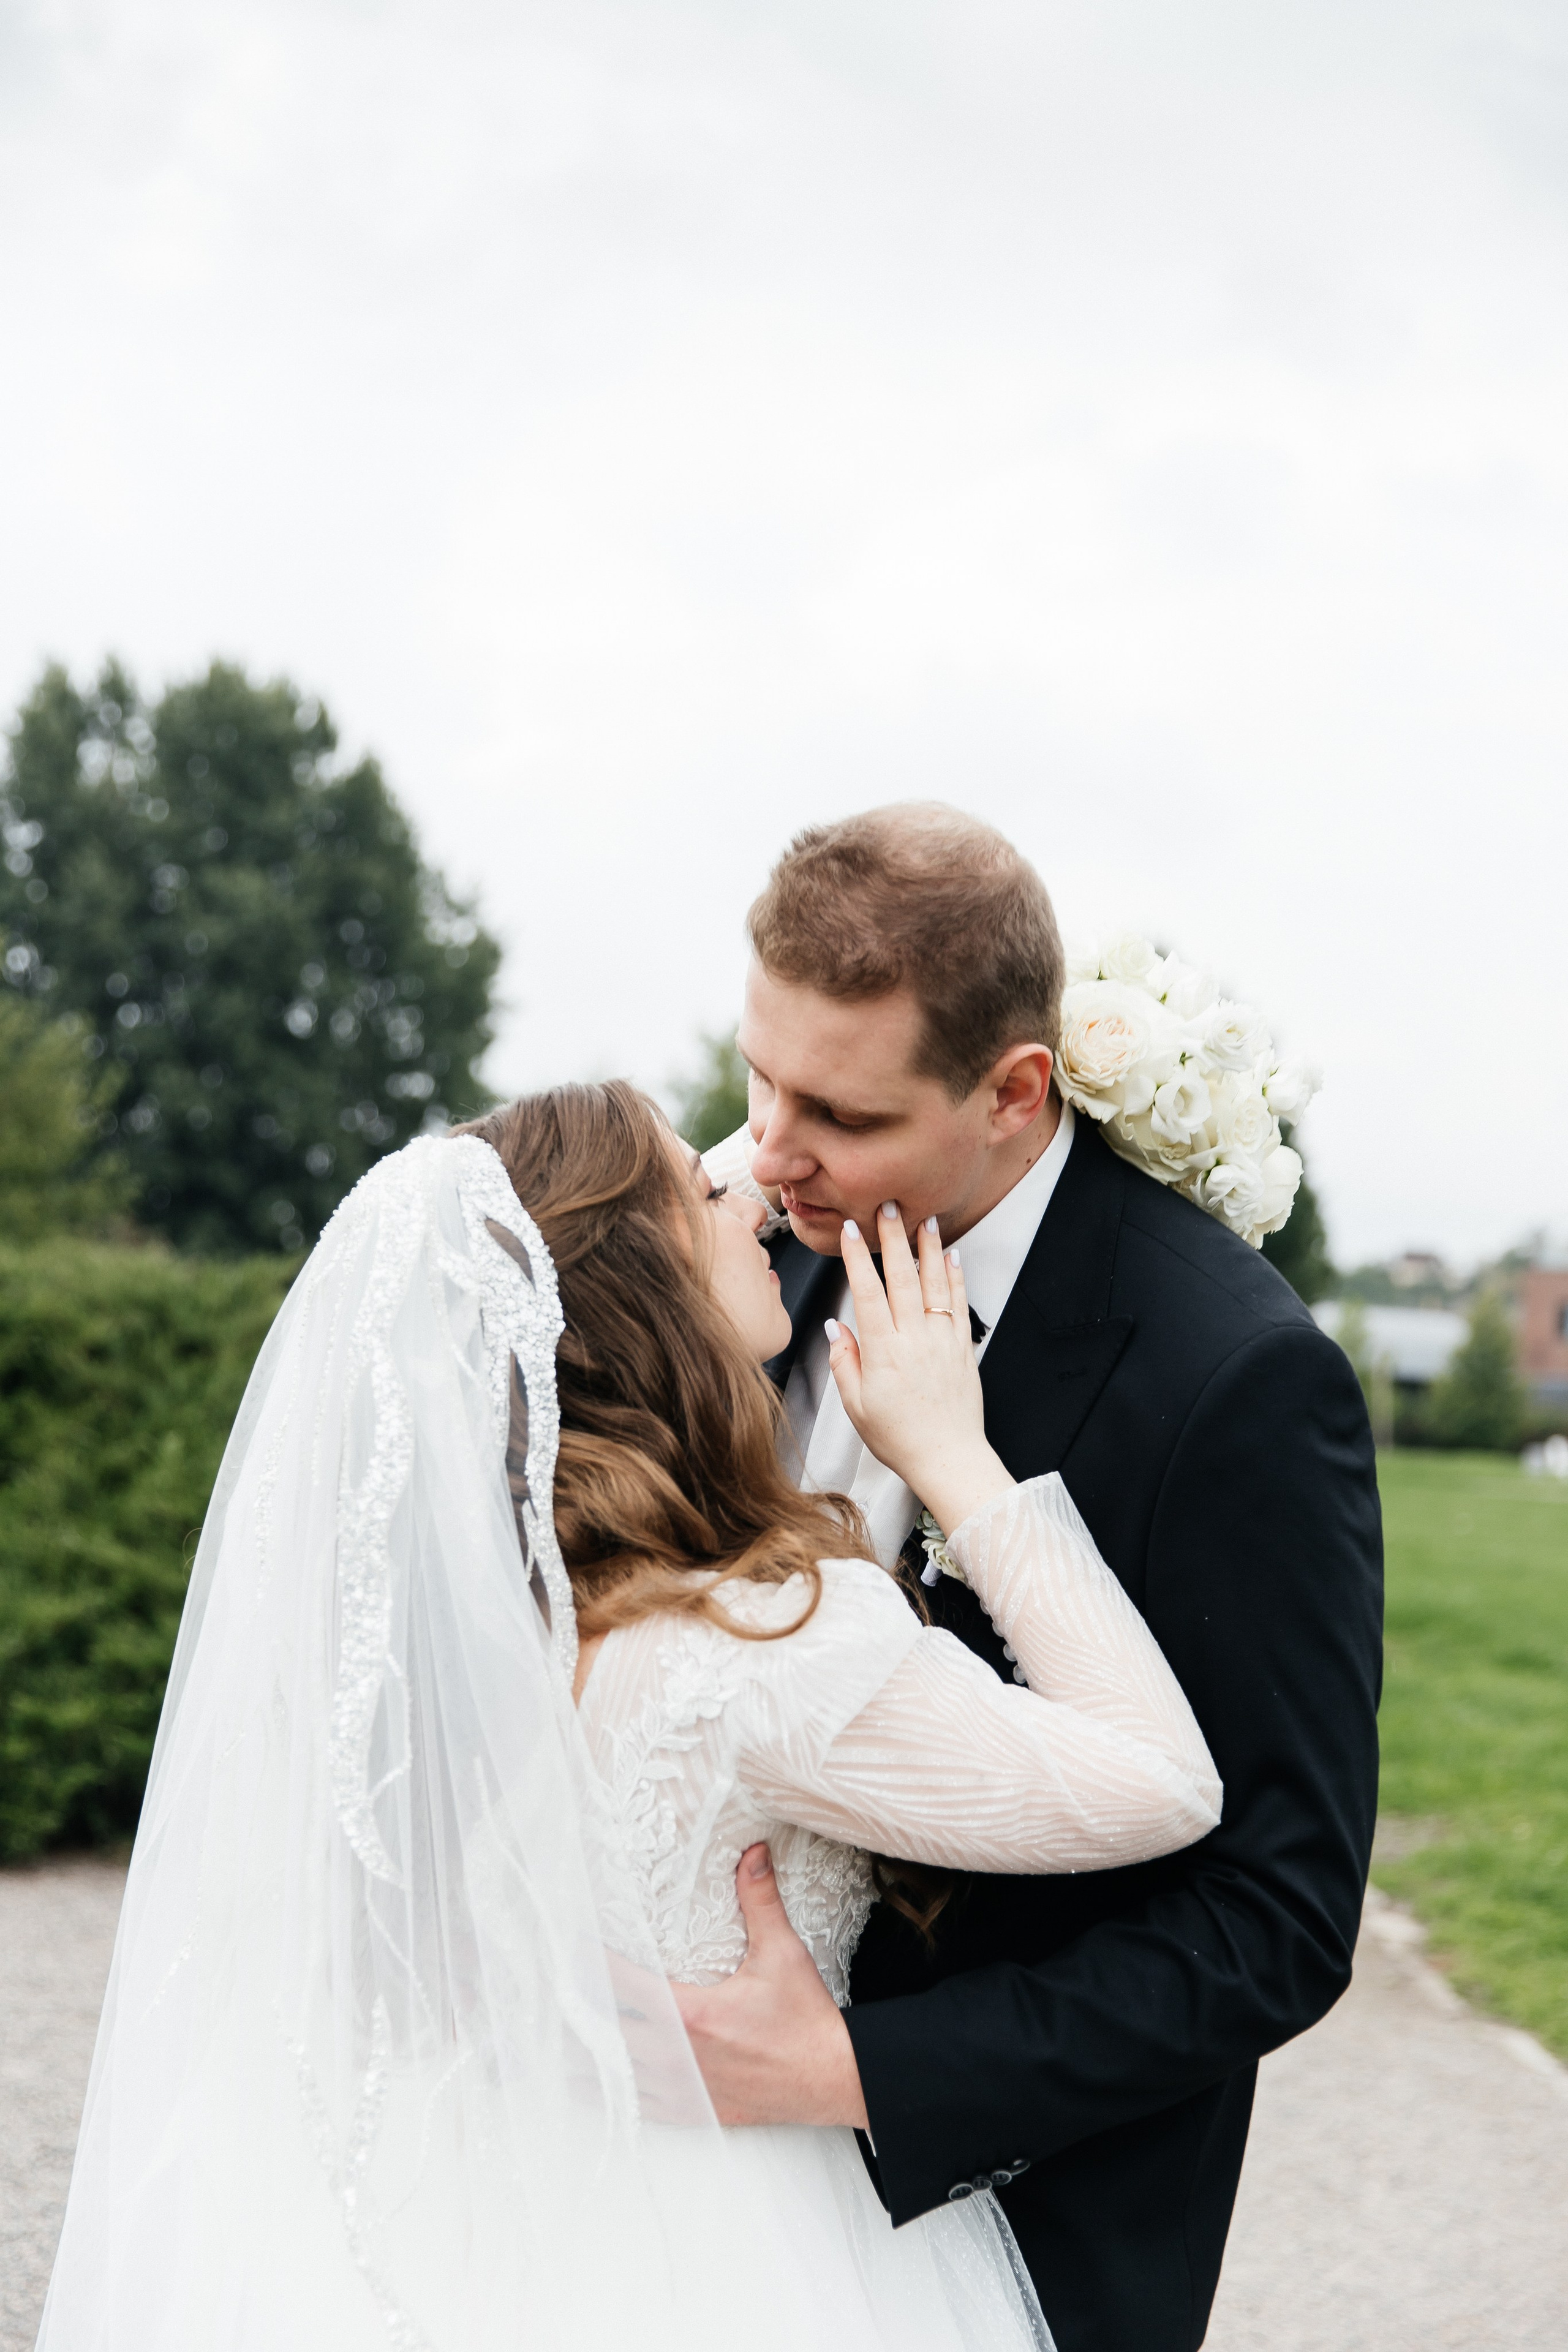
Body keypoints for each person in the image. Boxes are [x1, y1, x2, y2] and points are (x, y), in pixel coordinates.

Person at [39, 1079, 1220, 2352]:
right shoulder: (765, 1643)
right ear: (633, 1290)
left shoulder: (448, 1631)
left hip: (462, 2219)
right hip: (740, 2256)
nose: (757, 1193)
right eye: (706, 1190)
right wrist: (955, 1463)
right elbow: (1160, 1780)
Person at [694, 805, 1383, 2352]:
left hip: (1003, 2225)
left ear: (1016, 1090)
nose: (766, 1149)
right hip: (686, 2183)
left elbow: (1274, 1916)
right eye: (757, 1078)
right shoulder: (750, 1243)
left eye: (840, 1113)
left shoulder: (1237, 1381)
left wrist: (864, 2074)